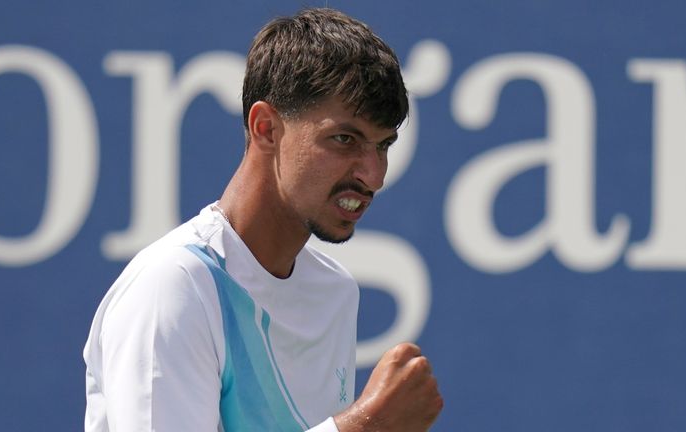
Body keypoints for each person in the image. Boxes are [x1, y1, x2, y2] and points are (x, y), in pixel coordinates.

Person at [84, 7, 443, 432]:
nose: (374, 176)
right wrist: (367, 425)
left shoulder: (336, 292)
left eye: (383, 146)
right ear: (266, 129)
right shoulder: (174, 286)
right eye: (344, 139)